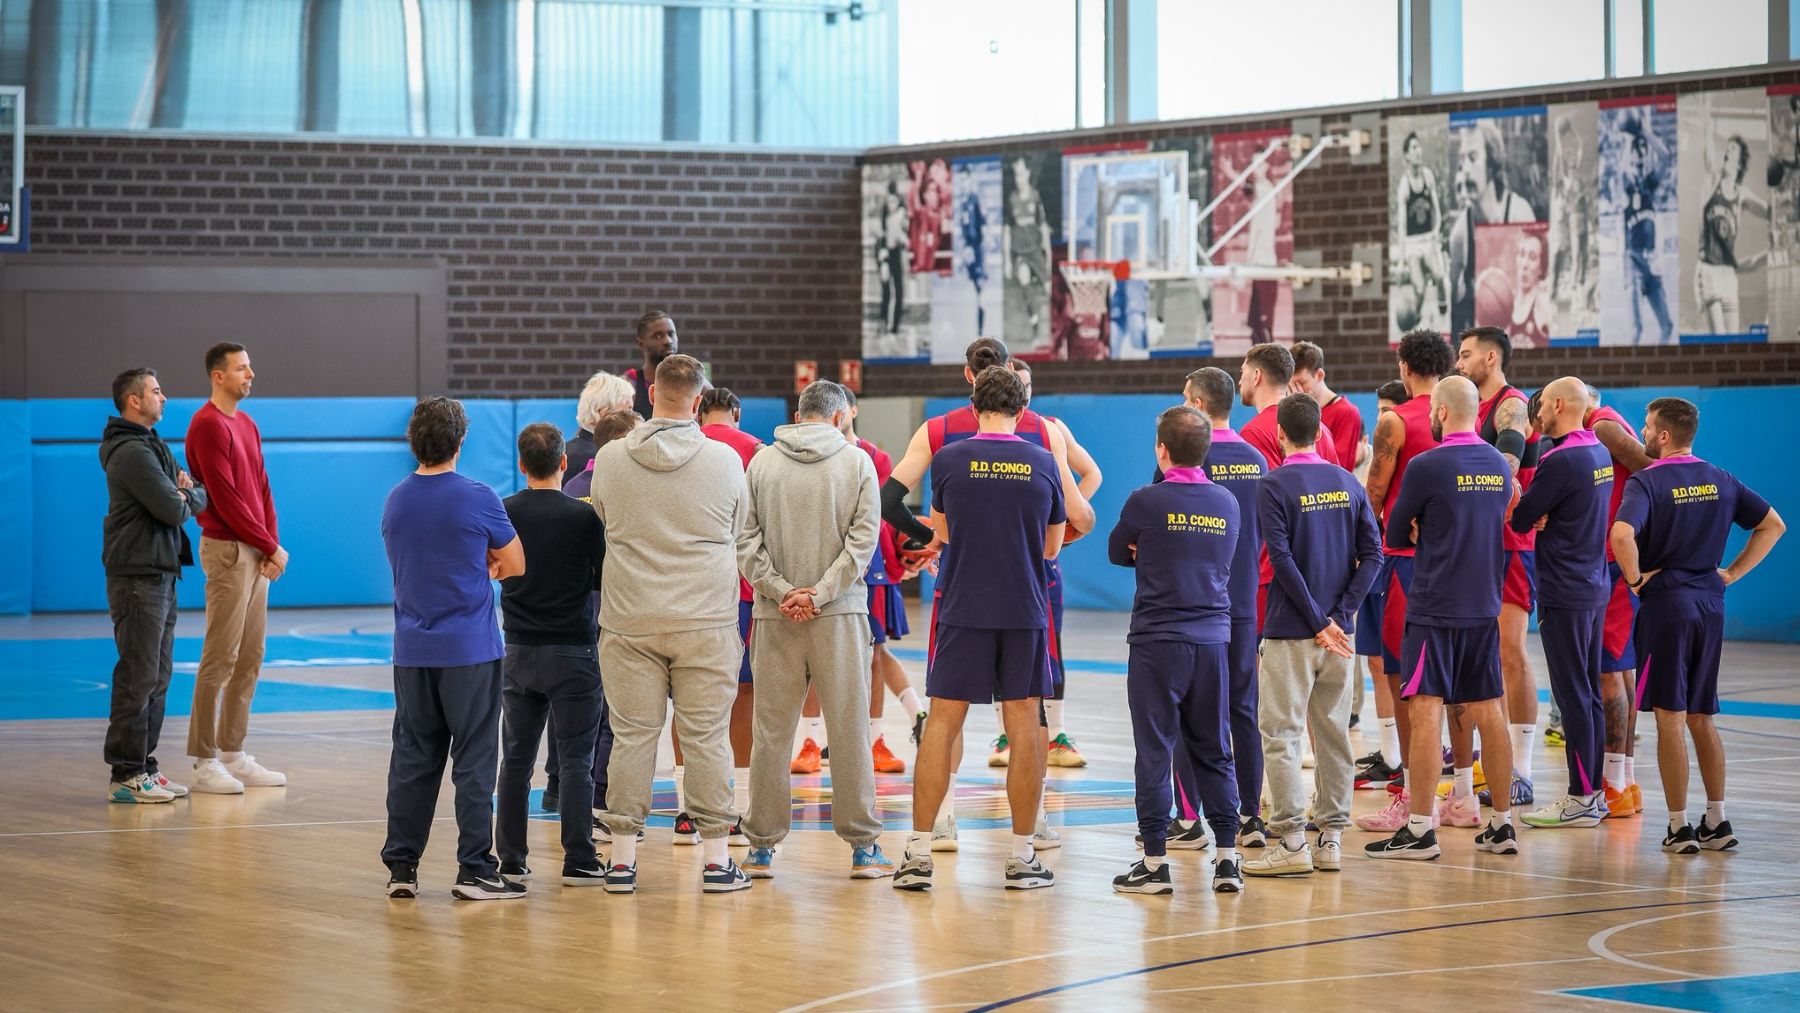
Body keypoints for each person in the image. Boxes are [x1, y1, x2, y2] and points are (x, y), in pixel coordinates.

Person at [879, 336, 1094, 853]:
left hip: (960, 590)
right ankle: (1031, 831)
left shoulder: (940, 439)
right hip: (1028, 591)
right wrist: (1048, 540)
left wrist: (929, 543)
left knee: (945, 716)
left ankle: (933, 831)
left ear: (968, 382)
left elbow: (891, 499)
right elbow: (1078, 517)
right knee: (1027, 716)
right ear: (1020, 393)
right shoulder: (1046, 435)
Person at [590, 353, 751, 894]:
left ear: (649, 395)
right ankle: (715, 859)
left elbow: (605, 520)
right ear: (700, 401)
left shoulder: (610, 460)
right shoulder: (726, 461)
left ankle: (621, 861)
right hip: (705, 618)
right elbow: (738, 527)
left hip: (630, 617)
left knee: (633, 739)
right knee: (706, 738)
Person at [1611, 397, 1784, 854]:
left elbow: (1622, 535)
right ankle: (1717, 819)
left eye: (1647, 428)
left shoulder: (1646, 483)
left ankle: (1678, 826)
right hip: (1711, 603)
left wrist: (1633, 581)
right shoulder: (1720, 479)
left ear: (1664, 436)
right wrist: (1731, 573)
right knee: (1702, 716)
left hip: (1667, 603)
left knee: (1670, 716)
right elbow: (1773, 525)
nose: (1642, 435)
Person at [737, 380, 892, 880]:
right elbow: (863, 543)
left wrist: (783, 591)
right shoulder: (858, 463)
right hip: (840, 615)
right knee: (849, 730)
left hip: (773, 615)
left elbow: (744, 542)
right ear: (840, 415)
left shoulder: (760, 463)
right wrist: (820, 594)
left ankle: (760, 847)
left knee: (771, 733)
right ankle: (863, 848)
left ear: (800, 414)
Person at [1366, 376, 1519, 861]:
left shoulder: (1427, 465)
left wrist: (1421, 528)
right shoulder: (1498, 462)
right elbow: (1503, 510)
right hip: (1483, 605)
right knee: (1490, 710)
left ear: (1441, 411)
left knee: (1427, 706)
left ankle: (1418, 830)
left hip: (1434, 604)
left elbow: (1394, 529)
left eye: (1432, 409)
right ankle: (1502, 824)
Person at [380, 397, 527, 901]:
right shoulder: (478, 496)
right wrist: (485, 563)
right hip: (469, 650)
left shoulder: (397, 499)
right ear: (461, 441)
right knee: (474, 759)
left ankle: (402, 866)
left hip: (412, 650)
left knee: (413, 757)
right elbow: (516, 562)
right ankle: (474, 869)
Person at [1107, 406, 1244, 895]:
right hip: (1212, 641)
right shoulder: (1227, 501)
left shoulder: (1145, 500)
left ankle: (1155, 863)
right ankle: (1228, 860)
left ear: (1161, 450)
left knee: (1154, 750)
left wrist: (1152, 547)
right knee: (1215, 749)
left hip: (1157, 642)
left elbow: (1115, 551)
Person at [1245, 395, 1382, 877]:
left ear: (1280, 433)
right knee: (1332, 734)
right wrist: (1339, 617)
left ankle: (1292, 842)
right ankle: (1330, 840)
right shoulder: (1347, 481)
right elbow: (1374, 556)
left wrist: (1317, 620)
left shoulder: (1273, 483)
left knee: (1281, 734)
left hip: (1290, 631)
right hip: (1339, 638)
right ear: (1320, 431)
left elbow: (1280, 561)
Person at [495, 424, 607, 887]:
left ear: (521, 465)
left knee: (516, 760)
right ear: (565, 463)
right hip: (574, 650)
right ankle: (579, 858)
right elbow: (602, 580)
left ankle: (512, 860)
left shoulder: (503, 512)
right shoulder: (584, 518)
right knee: (576, 758)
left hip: (519, 649)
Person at [793, 389, 924, 777]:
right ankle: (810, 742)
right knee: (816, 659)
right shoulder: (804, 456)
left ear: (851, 411)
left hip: (873, 569)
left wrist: (907, 554)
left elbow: (884, 517)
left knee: (875, 655)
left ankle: (876, 739)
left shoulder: (875, 457)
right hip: (820, 565)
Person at [1163, 367, 1267, 850]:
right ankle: (1251, 817)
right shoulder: (1256, 459)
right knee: (1244, 710)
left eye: (1186, 400)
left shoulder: (1180, 457)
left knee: (1189, 711)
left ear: (1199, 406)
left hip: (1192, 609)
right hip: (1243, 602)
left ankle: (1188, 821)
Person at [1356, 330, 1450, 830]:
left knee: (1403, 679)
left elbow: (1374, 493)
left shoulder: (1395, 420)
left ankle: (1415, 801)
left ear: (1404, 366)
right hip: (1459, 563)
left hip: (1403, 560)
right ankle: (1462, 798)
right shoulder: (1464, 415)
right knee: (1457, 689)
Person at [184, 342, 288, 794]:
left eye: (251, 366)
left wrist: (271, 546)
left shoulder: (247, 424)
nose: (251, 374)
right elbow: (225, 499)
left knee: (250, 656)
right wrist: (266, 543)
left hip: (256, 550)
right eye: (242, 369)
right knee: (220, 657)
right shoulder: (207, 425)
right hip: (227, 551)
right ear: (218, 376)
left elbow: (261, 487)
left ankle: (232, 751)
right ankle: (205, 759)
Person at [101, 368, 208, 803]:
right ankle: (125, 774)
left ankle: (145, 765)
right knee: (138, 675)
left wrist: (186, 494)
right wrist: (183, 495)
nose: (164, 398)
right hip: (137, 576)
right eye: (156, 392)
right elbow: (173, 506)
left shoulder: (154, 445)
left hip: (161, 572)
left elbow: (197, 495)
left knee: (158, 676)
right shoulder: (129, 451)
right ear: (133, 401)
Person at [1509, 379, 1612, 829]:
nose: (1538, 416)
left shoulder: (1558, 458)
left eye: (1542, 407)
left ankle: (1581, 797)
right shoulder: (1598, 451)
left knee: (1573, 696)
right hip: (1593, 586)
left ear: (1556, 405)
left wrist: (1519, 498)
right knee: (1588, 694)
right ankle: (1596, 793)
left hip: (1564, 591)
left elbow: (1524, 517)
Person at [1457, 326, 1541, 807]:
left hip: (1511, 543)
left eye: (1466, 355)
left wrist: (1494, 482)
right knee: (1482, 655)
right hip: (1479, 545)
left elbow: (1509, 453)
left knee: (1511, 652)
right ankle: (1493, 766)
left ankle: (1522, 770)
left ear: (1491, 358)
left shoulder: (1512, 403)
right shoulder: (1472, 410)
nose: (1460, 362)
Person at [1006, 360, 1103, 770]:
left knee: (1051, 641)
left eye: (1029, 384)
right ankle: (1003, 734)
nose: (1024, 391)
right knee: (1002, 646)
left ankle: (1057, 732)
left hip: (1040, 556)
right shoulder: (986, 430)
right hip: (996, 556)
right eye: (1018, 384)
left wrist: (1060, 523)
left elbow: (1092, 474)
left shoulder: (1050, 428)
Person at [1584, 387, 1654, 817]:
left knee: (1611, 674)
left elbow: (1649, 467)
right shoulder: (1606, 423)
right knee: (1621, 674)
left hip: (1612, 560)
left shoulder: (1601, 423)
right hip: (1619, 560)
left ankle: (1613, 783)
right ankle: (1624, 780)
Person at [699, 386, 764, 829]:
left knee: (691, 701)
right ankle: (741, 802)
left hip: (693, 588)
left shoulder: (687, 445)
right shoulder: (758, 452)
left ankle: (689, 811)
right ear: (736, 413)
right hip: (744, 588)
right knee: (744, 695)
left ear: (699, 412)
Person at [1352, 380, 1411, 782]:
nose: (1381, 416)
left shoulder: (1401, 453)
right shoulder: (1369, 455)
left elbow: (1375, 498)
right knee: (1376, 660)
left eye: (1387, 409)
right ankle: (1391, 753)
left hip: (1394, 558)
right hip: (1375, 559)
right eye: (1378, 409)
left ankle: (1407, 755)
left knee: (1395, 663)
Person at [1695, 135, 1771, 335]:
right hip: (1707, 270)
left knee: (1733, 340)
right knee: (1720, 340)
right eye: (1726, 149)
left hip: (1728, 276)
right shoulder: (1712, 181)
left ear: (1740, 164)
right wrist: (1706, 117)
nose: (1727, 152)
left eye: (1733, 150)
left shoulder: (1742, 194)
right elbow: (1708, 157)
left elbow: (1770, 212)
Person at [1238, 343, 1340, 470]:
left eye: (1243, 371)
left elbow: (1269, 489)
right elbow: (1337, 483)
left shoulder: (1254, 433)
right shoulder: (1321, 429)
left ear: (1256, 376)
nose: (1240, 381)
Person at [1621, 117, 1675, 346]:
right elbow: (1623, 167)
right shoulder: (1626, 183)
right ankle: (1627, 379)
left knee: (1667, 326)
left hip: (1650, 259)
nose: (1641, 157)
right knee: (1637, 327)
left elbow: (1665, 156)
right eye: (1637, 152)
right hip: (1632, 259)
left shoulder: (1649, 184)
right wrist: (1629, 137)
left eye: (1643, 152)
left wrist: (1646, 133)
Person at [1396, 130, 1448, 331]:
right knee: (1419, 287)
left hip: (1428, 240)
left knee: (1440, 276)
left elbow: (1436, 209)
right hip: (1412, 244)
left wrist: (1436, 229)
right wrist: (1401, 260)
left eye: (1419, 147)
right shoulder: (1405, 185)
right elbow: (1401, 225)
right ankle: (1414, 321)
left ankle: (1443, 318)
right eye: (1414, 148)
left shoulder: (1428, 176)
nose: (1419, 151)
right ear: (1407, 156)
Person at [1289, 341, 1363, 472]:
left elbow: (1339, 468)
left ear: (1319, 375)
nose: (1296, 389)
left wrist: (1301, 413)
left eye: (1302, 382)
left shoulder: (1347, 413)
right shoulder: (1287, 411)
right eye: (1291, 384)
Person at [566, 370, 636, 478]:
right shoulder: (596, 458)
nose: (633, 418)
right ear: (604, 413)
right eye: (628, 411)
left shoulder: (567, 450)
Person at [624, 311, 680, 418]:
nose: (668, 341)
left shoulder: (694, 383)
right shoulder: (629, 385)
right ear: (641, 343)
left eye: (671, 334)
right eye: (658, 336)